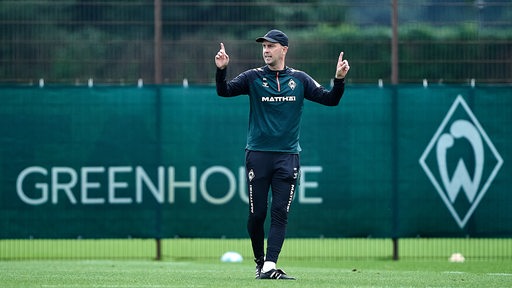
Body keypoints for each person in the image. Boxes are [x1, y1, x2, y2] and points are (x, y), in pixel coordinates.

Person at [214, 29, 350, 280]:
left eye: (271, 46)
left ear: (284, 50)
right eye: (264, 47)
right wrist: (222, 70)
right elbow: (224, 91)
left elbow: (330, 100)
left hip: (288, 157)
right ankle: (259, 261)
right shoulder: (252, 77)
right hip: (258, 155)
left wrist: (339, 79)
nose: (266, 51)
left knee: (280, 212)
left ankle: (269, 265)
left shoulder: (300, 79)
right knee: (257, 215)